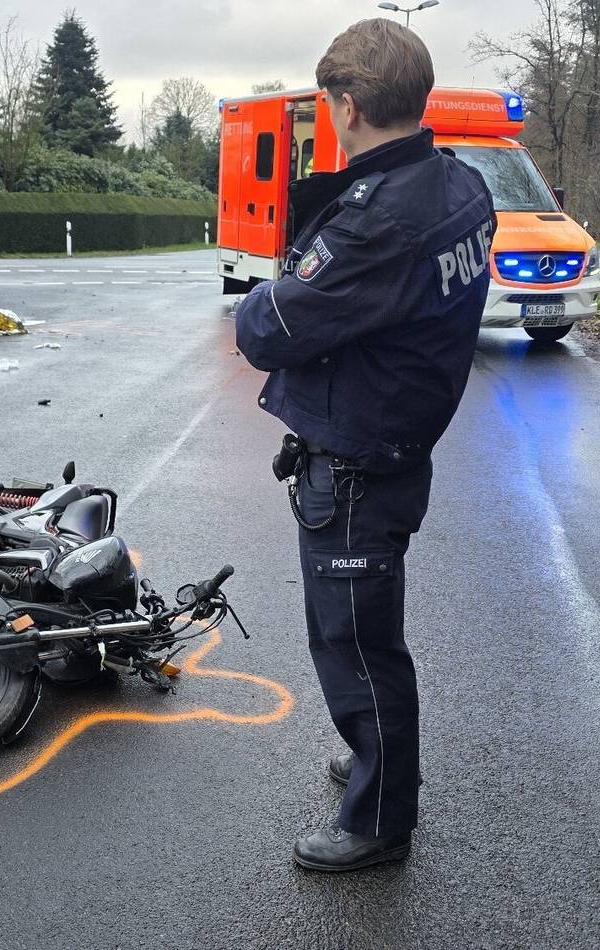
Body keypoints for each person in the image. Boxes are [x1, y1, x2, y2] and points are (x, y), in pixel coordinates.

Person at [235, 19, 496, 872]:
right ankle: (377, 758)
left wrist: (281, 288)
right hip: (397, 443)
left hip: (357, 460)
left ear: (346, 107)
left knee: (355, 643)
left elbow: (267, 328)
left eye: (328, 106)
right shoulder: (460, 185)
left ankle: (381, 814)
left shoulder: (375, 223)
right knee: (366, 630)